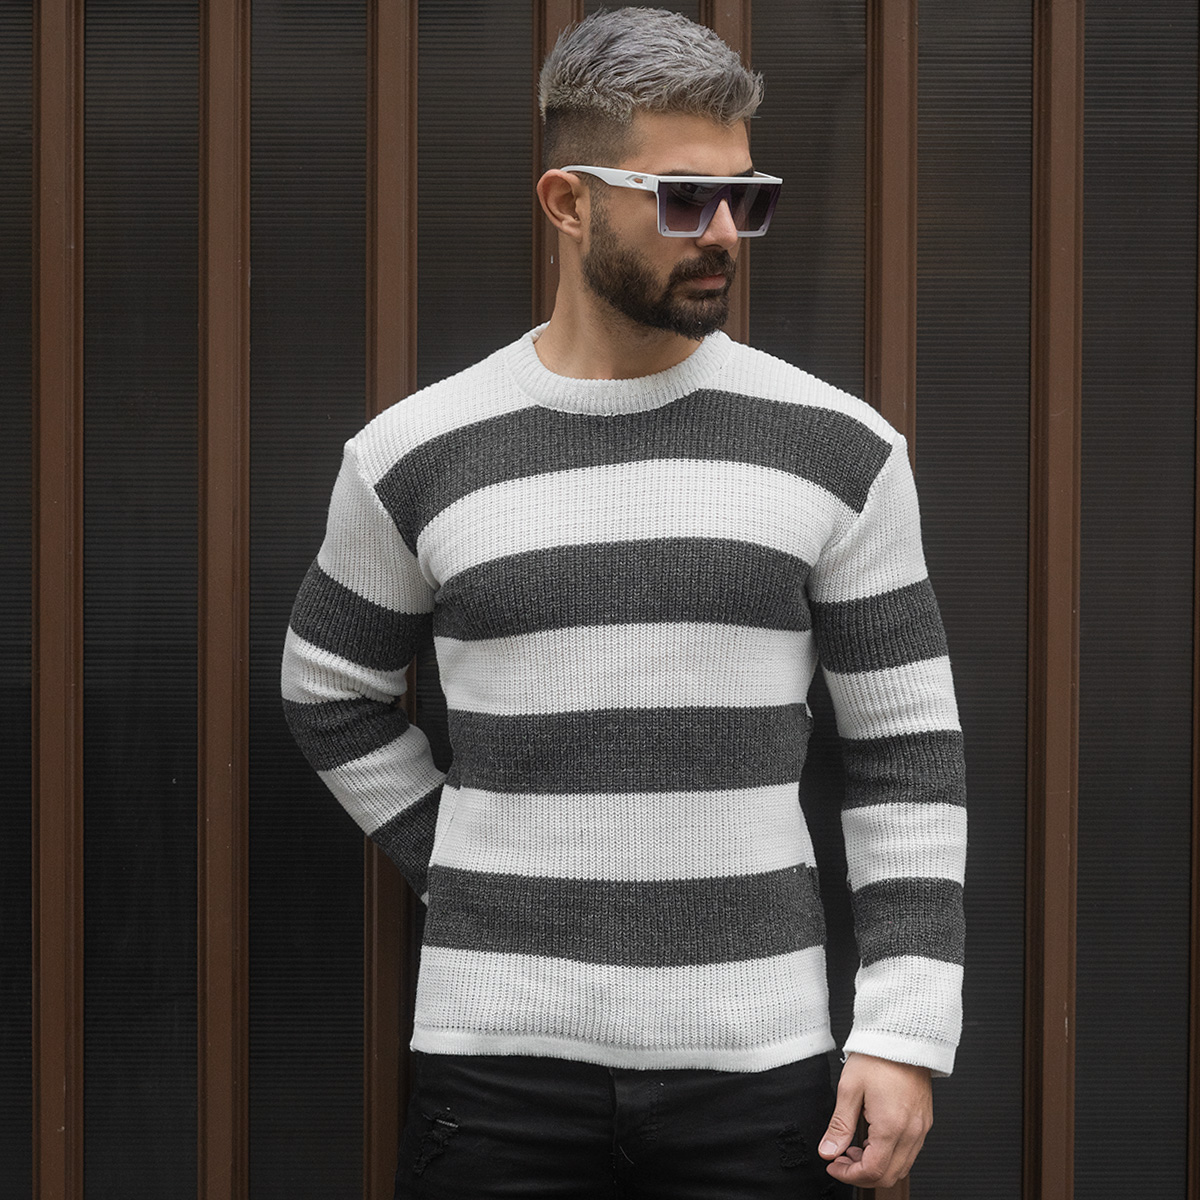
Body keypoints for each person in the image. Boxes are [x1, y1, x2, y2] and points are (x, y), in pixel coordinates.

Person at [281, 8, 966, 1197]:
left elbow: (908, 752)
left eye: (746, 199)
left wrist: (903, 1031)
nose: (725, 235)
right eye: (686, 200)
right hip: (495, 1071)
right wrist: (460, 861)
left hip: (760, 1071)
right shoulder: (414, 452)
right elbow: (328, 688)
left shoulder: (840, 449)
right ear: (568, 201)